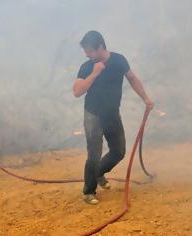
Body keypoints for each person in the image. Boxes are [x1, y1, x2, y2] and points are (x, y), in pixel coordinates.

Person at [73, 31, 154, 205]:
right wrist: (94, 74)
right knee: (94, 154)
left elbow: (132, 78)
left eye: (89, 51)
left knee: (119, 151)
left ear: (100, 47)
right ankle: (89, 192)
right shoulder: (87, 67)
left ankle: (99, 172)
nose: (87, 54)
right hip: (93, 116)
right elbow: (77, 91)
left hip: (112, 114)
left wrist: (146, 98)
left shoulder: (119, 60)